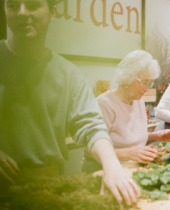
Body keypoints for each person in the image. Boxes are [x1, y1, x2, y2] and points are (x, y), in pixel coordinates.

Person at [0, 0, 139, 205]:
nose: (21, 13)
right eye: (12, 5)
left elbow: (91, 126)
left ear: (52, 12)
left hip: (47, 190)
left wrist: (111, 165)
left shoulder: (69, 75)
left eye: (31, 5)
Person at [82, 50, 170, 173]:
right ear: (127, 77)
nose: (147, 89)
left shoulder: (138, 101)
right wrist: (129, 153)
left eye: (150, 83)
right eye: (144, 82)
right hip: (103, 172)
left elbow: (132, 138)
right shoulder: (104, 104)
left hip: (131, 169)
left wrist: (155, 136)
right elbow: (89, 150)